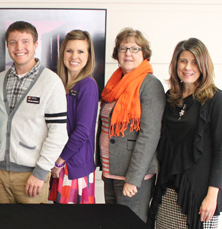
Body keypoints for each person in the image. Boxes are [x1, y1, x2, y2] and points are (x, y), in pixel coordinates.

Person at [148, 38, 222, 229]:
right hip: (168, 190)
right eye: (183, 61)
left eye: (194, 62)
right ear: (176, 64)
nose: (188, 67)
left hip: (199, 196)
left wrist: (212, 195)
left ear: (203, 65)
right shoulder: (170, 98)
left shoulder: (216, 100)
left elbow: (221, 152)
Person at [0, 21, 68, 204]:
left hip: (31, 176)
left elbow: (58, 134)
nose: (19, 47)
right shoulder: (0, 80)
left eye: (25, 41)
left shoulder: (51, 82)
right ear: (7, 45)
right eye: (13, 42)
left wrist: (41, 172)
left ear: (35, 45)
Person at [95, 27, 165, 222]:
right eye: (123, 48)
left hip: (133, 176)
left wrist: (133, 178)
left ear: (144, 54)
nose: (128, 53)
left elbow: (149, 135)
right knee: (112, 223)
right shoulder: (114, 84)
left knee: (130, 224)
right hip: (111, 172)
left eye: (135, 49)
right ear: (116, 54)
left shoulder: (150, 84)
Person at [49, 30, 98, 204]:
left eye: (80, 51)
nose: (74, 56)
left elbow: (82, 131)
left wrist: (60, 161)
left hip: (73, 167)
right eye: (69, 50)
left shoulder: (88, 85)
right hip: (57, 165)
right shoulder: (57, 84)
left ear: (89, 55)